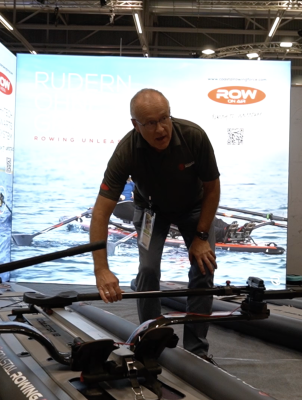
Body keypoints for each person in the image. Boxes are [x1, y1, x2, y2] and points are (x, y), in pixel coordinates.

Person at [90, 88, 220, 359]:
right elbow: (101, 213)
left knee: (203, 267)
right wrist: (101, 269)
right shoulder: (126, 151)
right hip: (151, 211)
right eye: (150, 123)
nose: (161, 129)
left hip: (194, 207)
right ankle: (150, 339)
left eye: (164, 118)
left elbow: (212, 188)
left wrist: (201, 237)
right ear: (135, 125)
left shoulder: (193, 136)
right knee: (148, 270)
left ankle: (196, 351)